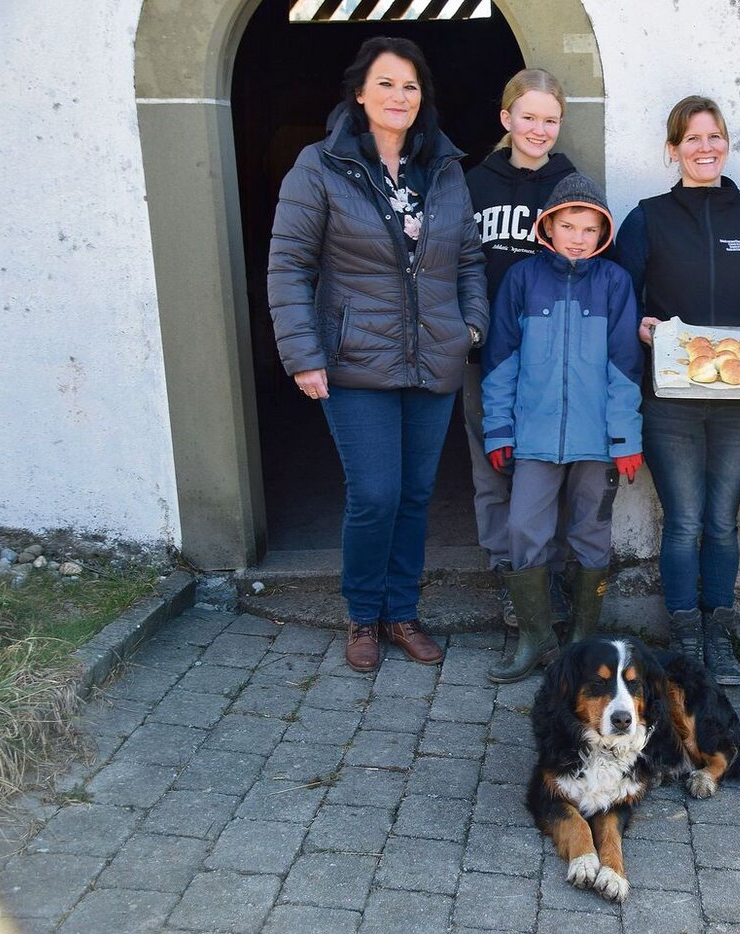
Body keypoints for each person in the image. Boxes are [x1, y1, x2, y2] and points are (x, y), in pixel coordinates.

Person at [268, 37, 488, 673]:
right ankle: (363, 616)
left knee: (416, 494)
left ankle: (401, 612)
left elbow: (468, 258)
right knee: (375, 494)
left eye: (411, 86)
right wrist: (303, 355)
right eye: (386, 84)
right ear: (359, 94)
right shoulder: (320, 167)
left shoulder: (444, 170)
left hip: (434, 361)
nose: (400, 97)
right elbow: (289, 266)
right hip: (354, 360)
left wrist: (469, 326)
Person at [613, 96, 740, 687]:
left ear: (726, 143)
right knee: (683, 521)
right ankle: (684, 632)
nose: (704, 148)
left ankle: (719, 630)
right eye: (691, 139)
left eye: (714, 137)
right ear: (673, 149)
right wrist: (641, 324)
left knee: (722, 521)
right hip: (671, 400)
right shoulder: (647, 218)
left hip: (738, 398)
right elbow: (622, 298)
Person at [481, 173, 644, 683]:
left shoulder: (614, 284)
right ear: (546, 226)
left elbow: (624, 367)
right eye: (568, 225)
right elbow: (500, 361)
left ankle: (584, 644)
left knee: (590, 531)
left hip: (596, 443)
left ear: (603, 236)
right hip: (532, 438)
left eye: (589, 229)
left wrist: (625, 439)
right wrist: (498, 430)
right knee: (524, 529)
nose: (577, 237)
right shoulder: (523, 280)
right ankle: (535, 638)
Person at [463, 69, 579, 629]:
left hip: (548, 362)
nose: (539, 129)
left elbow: (590, 264)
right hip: (484, 357)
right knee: (493, 467)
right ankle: (509, 576)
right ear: (506, 119)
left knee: (544, 469)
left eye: (550, 119)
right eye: (528, 117)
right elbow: (450, 264)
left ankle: (544, 576)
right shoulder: (470, 185)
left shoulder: (571, 185)